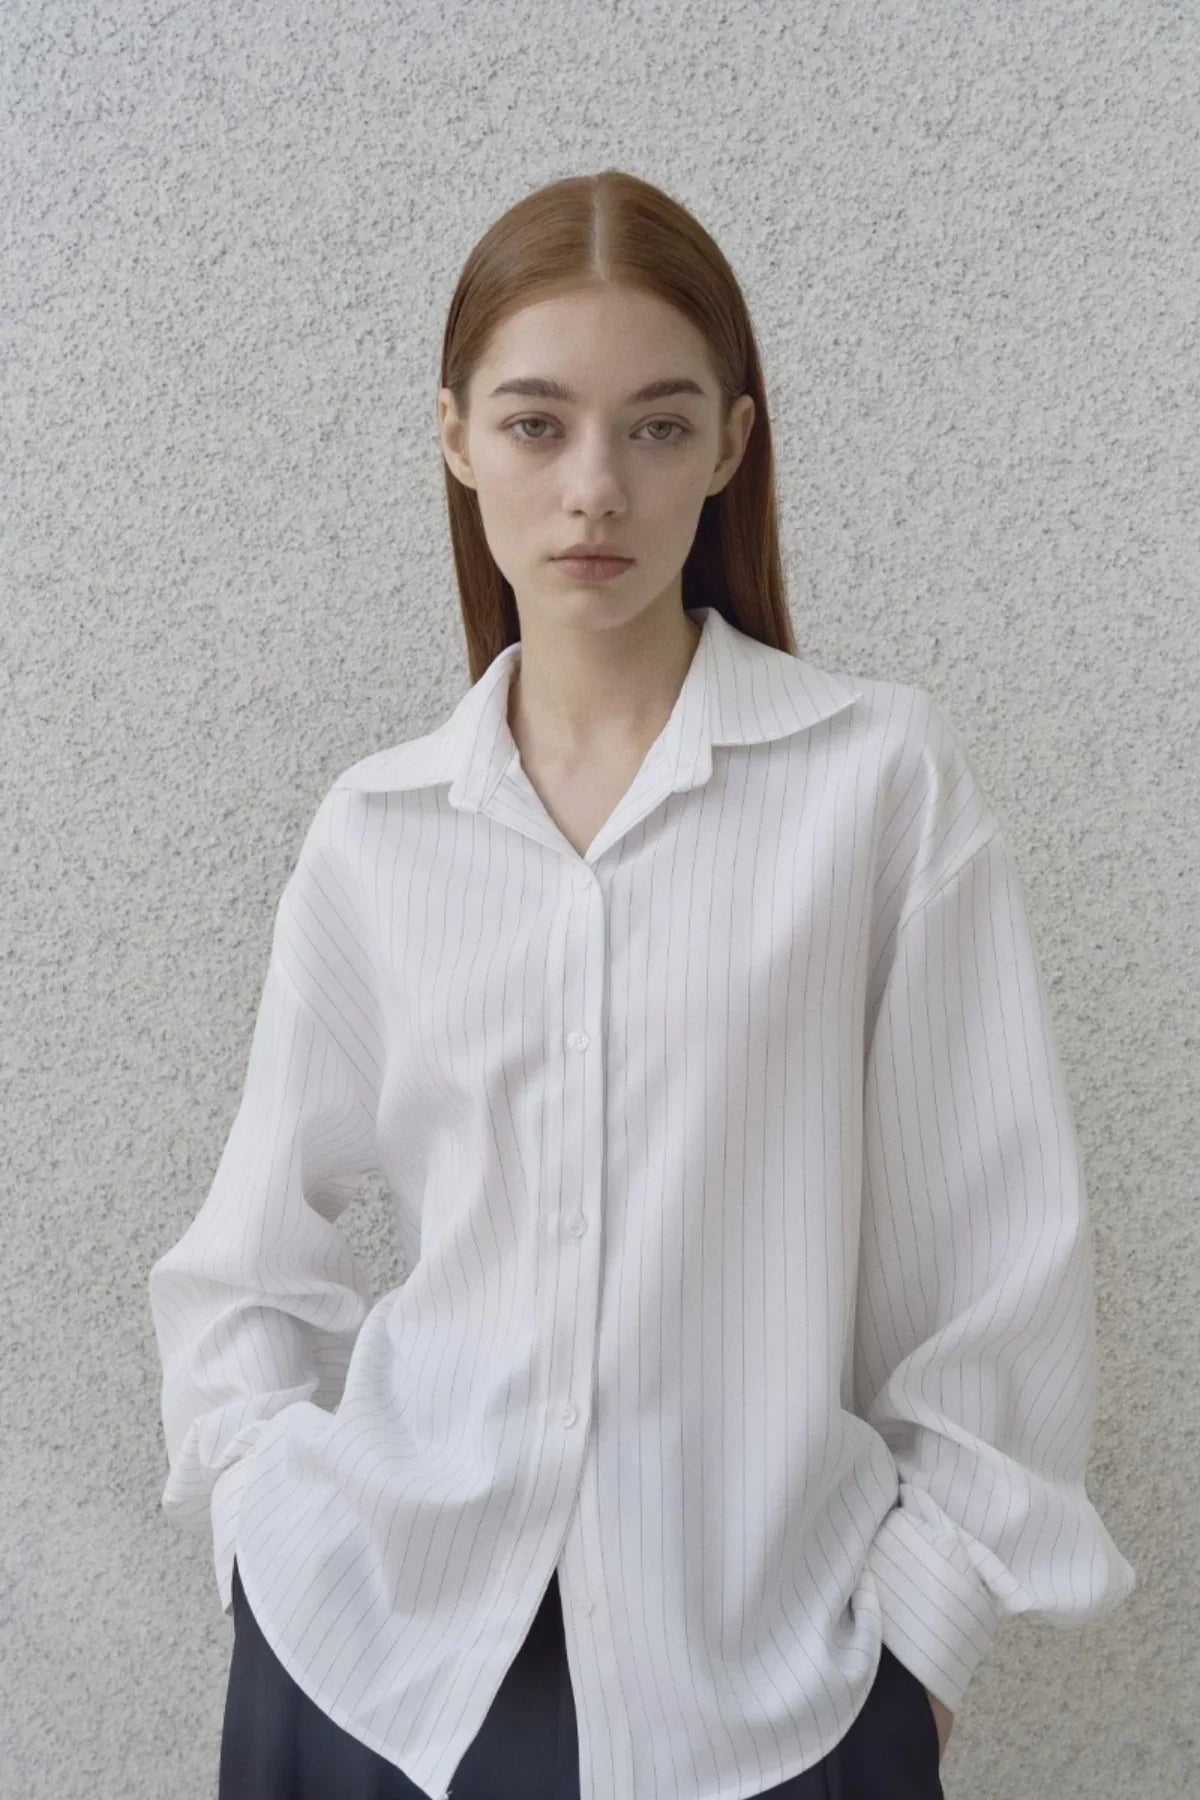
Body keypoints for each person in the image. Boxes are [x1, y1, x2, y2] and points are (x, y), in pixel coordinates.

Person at [148, 169, 1136, 1800]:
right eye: (537, 425)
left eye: (659, 427)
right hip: (379, 1675)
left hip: (772, 1692)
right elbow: (249, 1263)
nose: (595, 487)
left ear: (733, 444)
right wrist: (263, 1522)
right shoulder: (376, 834)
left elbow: (1000, 1257)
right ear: (456, 435)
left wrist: (926, 1647)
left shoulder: (877, 785)